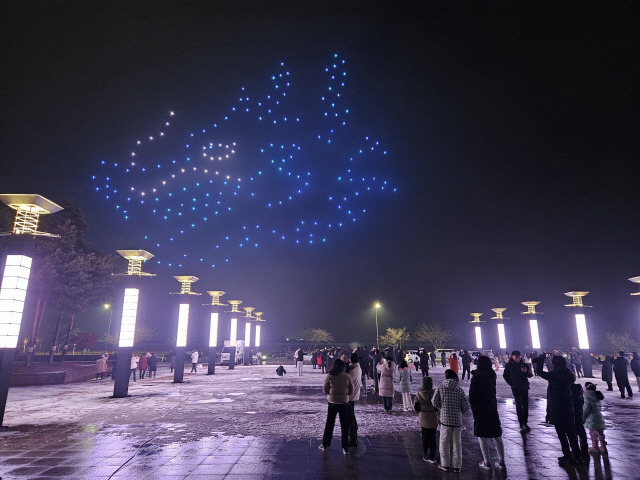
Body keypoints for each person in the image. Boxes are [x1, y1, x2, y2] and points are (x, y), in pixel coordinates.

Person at [534, 354, 582, 465]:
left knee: (562, 435)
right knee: (572, 434)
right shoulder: (568, 374)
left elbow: (540, 372)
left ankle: (567, 456)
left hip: (557, 409)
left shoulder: (553, 375)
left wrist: (541, 361)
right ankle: (577, 456)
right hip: (569, 407)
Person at [469, 356, 507, 472]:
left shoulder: (477, 377)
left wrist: (473, 406)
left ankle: (487, 461)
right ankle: (502, 461)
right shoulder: (492, 375)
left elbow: (472, 395)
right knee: (496, 434)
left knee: (482, 435)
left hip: (480, 407)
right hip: (491, 406)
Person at [432, 369, 470, 473]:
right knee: (457, 443)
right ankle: (457, 466)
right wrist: (458, 411)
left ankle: (445, 465)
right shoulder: (459, 389)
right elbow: (466, 406)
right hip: (457, 421)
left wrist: (443, 408)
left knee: (444, 442)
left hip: (445, 420)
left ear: (446, 377)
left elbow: (434, 402)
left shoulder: (441, 388)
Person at [319, 359, 353, 455]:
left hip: (333, 402)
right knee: (345, 426)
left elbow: (325, 390)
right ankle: (345, 447)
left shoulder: (330, 376)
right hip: (344, 403)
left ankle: (325, 444)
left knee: (329, 424)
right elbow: (351, 390)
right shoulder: (347, 376)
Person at [503, 350, 533, 431]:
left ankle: (525, 422)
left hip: (524, 387)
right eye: (516, 357)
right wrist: (511, 383)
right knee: (519, 405)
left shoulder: (524, 364)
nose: (517, 358)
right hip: (516, 387)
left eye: (518, 357)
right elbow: (505, 376)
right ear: (512, 357)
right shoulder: (509, 365)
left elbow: (530, 375)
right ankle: (521, 422)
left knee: (525, 405)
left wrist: (526, 371)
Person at [414, 376, 438, 463]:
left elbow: (416, 408)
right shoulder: (435, 394)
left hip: (423, 418)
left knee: (425, 436)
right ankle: (432, 454)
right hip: (433, 418)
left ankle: (425, 453)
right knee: (433, 437)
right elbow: (437, 406)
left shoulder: (419, 394)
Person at [583, 382, 606, 453]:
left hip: (591, 419)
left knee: (593, 433)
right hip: (599, 417)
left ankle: (595, 447)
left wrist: (582, 418)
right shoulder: (597, 397)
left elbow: (586, 409)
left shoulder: (588, 398)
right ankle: (603, 446)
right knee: (600, 433)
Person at [346, 353, 362, 446]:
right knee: (351, 416)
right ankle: (354, 434)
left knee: (350, 417)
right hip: (354, 395)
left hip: (350, 396)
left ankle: (353, 436)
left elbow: (346, 382)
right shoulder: (357, 368)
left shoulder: (352, 371)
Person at [570, 382, 589, 458]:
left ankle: (576, 451)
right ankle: (584, 450)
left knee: (573, 433)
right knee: (581, 432)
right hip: (579, 413)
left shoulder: (569, 390)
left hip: (572, 414)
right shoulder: (579, 389)